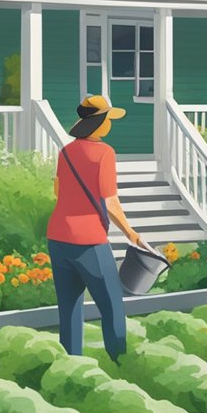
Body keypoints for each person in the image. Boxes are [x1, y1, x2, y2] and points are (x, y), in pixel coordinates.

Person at [46, 95, 145, 362]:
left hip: (58, 236)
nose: (110, 125)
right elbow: (110, 201)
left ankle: (71, 362)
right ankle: (119, 360)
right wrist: (131, 234)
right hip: (89, 241)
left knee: (69, 308)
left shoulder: (65, 152)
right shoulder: (105, 153)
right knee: (111, 305)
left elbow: (58, 190)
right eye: (108, 120)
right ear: (98, 123)